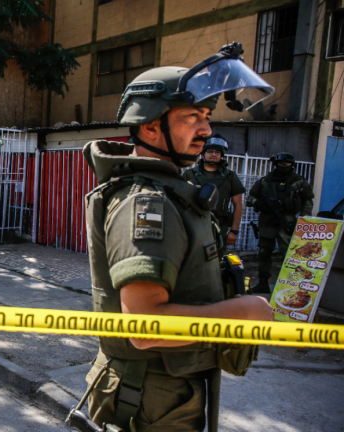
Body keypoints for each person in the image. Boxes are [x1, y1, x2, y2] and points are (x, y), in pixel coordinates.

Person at [81, 44, 274, 432]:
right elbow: (144, 327)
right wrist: (245, 312)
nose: (206, 129)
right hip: (153, 393)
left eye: (206, 116)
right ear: (151, 125)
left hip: (168, 389)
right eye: (192, 117)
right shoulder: (147, 203)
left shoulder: (171, 192)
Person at [246, 153, 313, 293]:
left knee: (289, 254)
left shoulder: (299, 181)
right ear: (275, 164)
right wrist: (258, 203)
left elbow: (307, 200)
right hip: (268, 220)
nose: (283, 165)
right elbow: (250, 197)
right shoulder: (265, 181)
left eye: (286, 163)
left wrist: (305, 219)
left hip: (287, 219)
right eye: (281, 163)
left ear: (292, 165)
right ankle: (263, 282)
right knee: (264, 252)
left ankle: (291, 284)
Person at [181, 134, 245, 253]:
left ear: (221, 156)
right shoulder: (190, 175)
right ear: (202, 154)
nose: (213, 154)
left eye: (217, 152)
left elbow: (238, 204)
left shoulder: (230, 177)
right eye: (210, 151)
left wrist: (234, 230)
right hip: (193, 225)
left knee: (217, 262)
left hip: (220, 226)